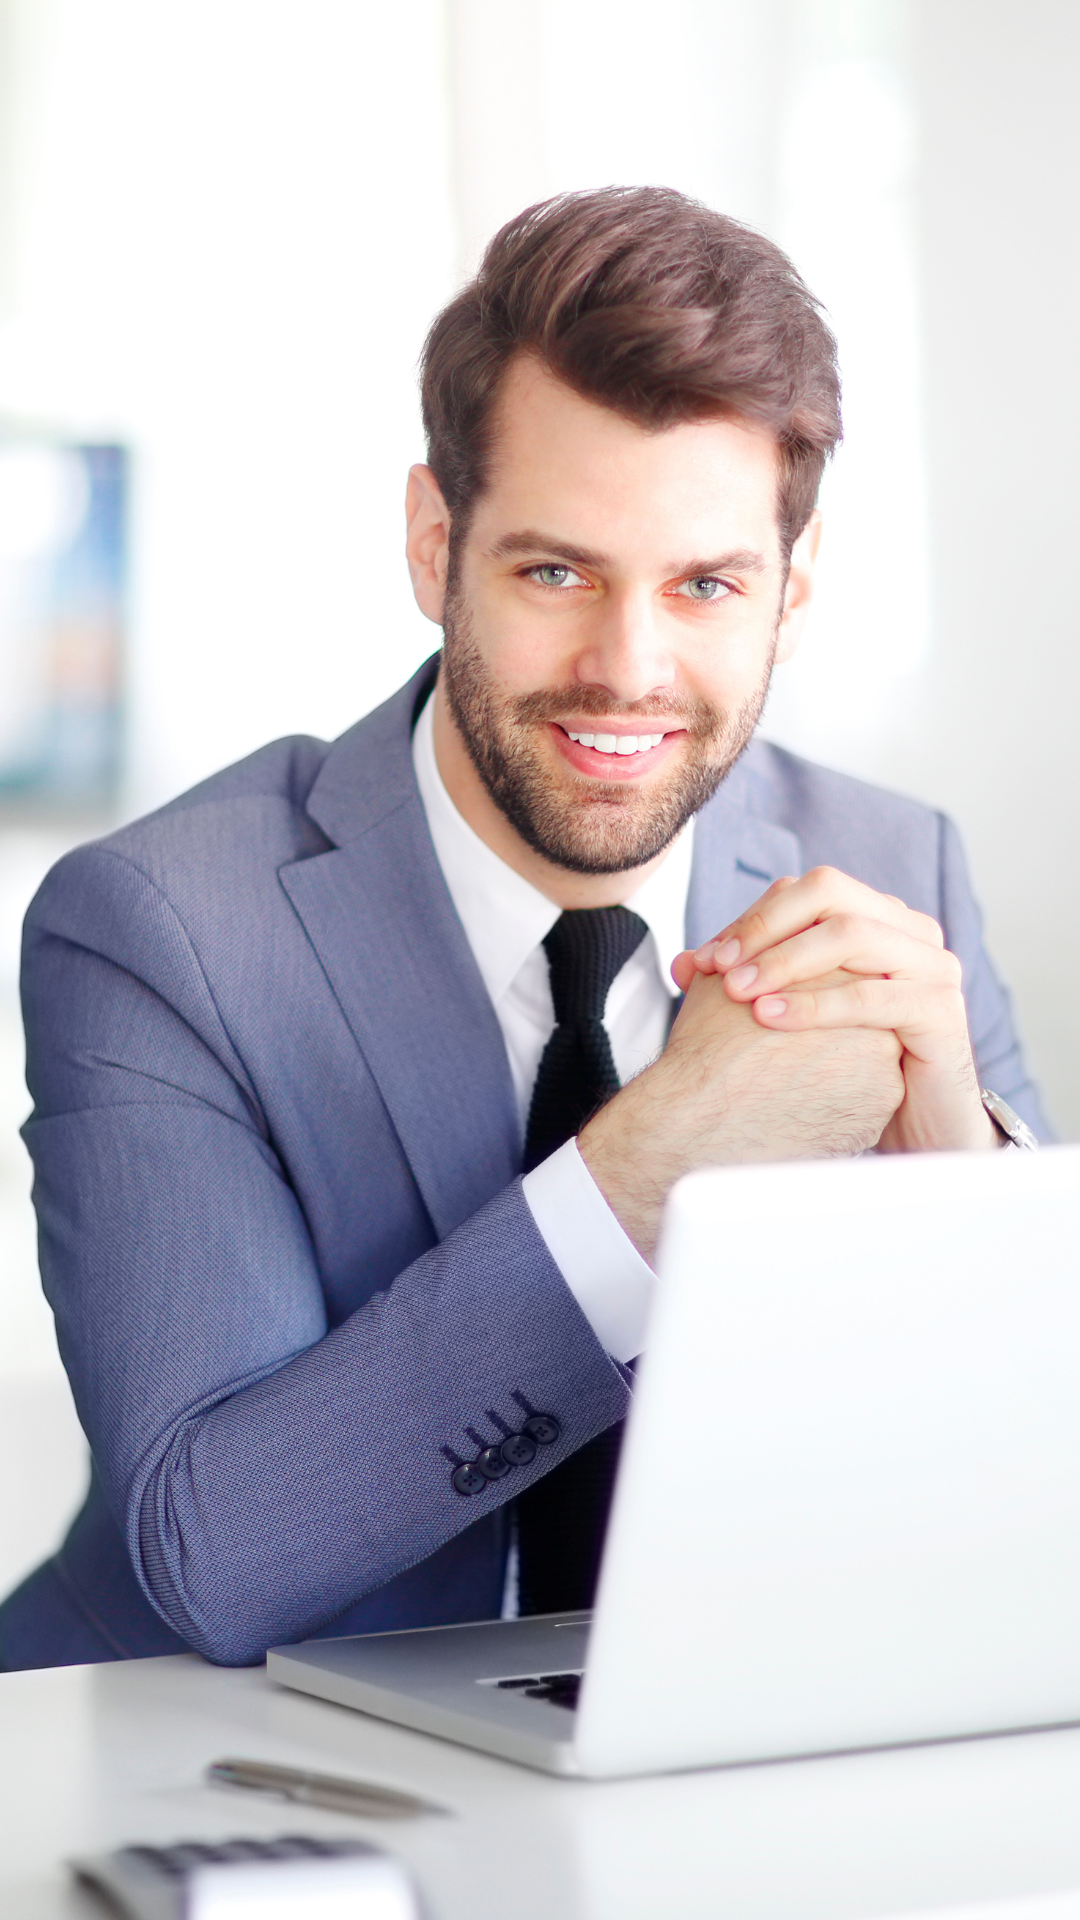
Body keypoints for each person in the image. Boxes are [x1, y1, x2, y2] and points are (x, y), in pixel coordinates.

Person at [0, 187, 1045, 1672]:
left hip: (701, 1769)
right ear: (435, 545)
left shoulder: (888, 868)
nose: (628, 668)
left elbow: (1020, 1510)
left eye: (705, 585)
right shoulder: (164, 929)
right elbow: (216, 1555)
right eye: (556, 572)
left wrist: (961, 1170)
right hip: (206, 1773)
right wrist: (648, 1169)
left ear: (791, 595)